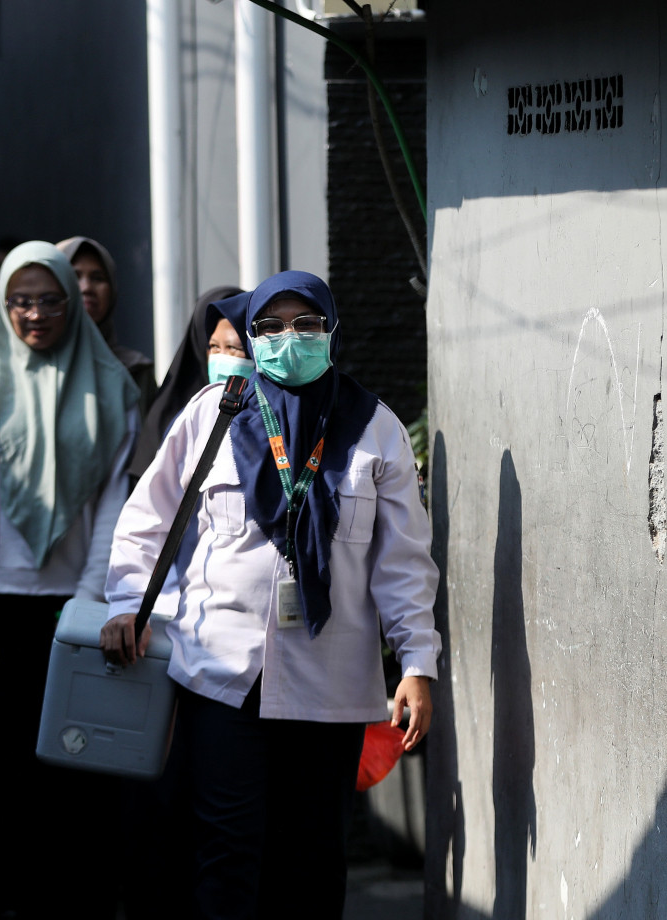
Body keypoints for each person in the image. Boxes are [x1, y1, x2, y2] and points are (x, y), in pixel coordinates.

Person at [102, 270, 441, 919]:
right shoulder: (216, 410)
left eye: (307, 324)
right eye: (271, 326)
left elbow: (402, 562)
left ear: (331, 329)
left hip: (330, 686)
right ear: (251, 336)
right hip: (221, 677)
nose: (291, 338)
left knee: (311, 859)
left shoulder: (375, 427)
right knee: (226, 853)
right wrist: (127, 603)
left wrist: (417, 664)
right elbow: (148, 519)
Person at [0, 240, 138, 919]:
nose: (36, 314)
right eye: (21, 300)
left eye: (51, 298)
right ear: (3, 303)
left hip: (71, 611)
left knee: (75, 778)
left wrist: (89, 599)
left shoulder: (112, 387)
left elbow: (114, 507)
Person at [127, 285, 247, 481]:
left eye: (234, 347)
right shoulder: (174, 417)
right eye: (214, 346)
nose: (222, 357)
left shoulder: (269, 412)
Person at [56, 235, 158, 413]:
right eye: (74, 276)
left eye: (97, 278)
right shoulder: (37, 368)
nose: (86, 287)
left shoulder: (135, 370)